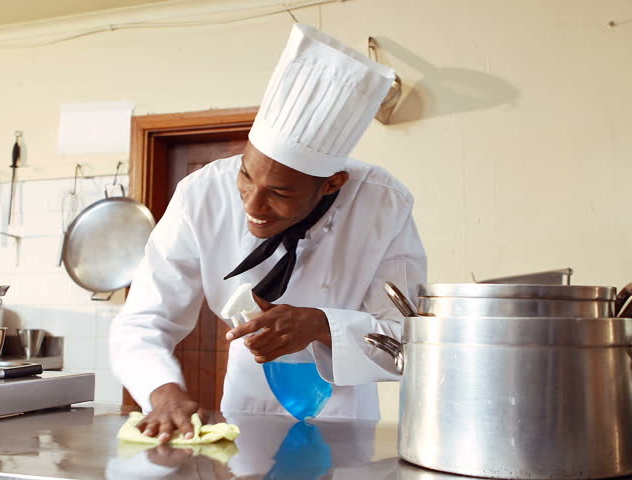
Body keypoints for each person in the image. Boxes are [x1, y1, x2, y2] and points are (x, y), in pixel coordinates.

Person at [109, 23, 427, 444]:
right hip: (244, 410)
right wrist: (161, 391)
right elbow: (143, 320)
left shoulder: (384, 205)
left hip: (345, 419)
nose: (252, 206)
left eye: (279, 193)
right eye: (245, 175)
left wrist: (321, 326)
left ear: (331, 183)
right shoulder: (200, 196)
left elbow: (410, 342)